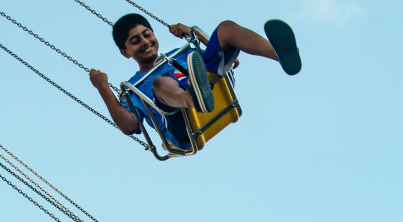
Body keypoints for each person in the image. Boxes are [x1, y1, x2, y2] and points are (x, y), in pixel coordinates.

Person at [89, 14, 301, 149]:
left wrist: (194, 33)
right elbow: (129, 126)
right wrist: (103, 87)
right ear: (126, 52)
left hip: (213, 90)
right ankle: (191, 97)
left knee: (226, 28)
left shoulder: (179, 53)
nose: (145, 42)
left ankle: (280, 55)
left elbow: (233, 62)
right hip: (182, 126)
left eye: (147, 35)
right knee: (160, 83)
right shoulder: (134, 88)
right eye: (136, 41)